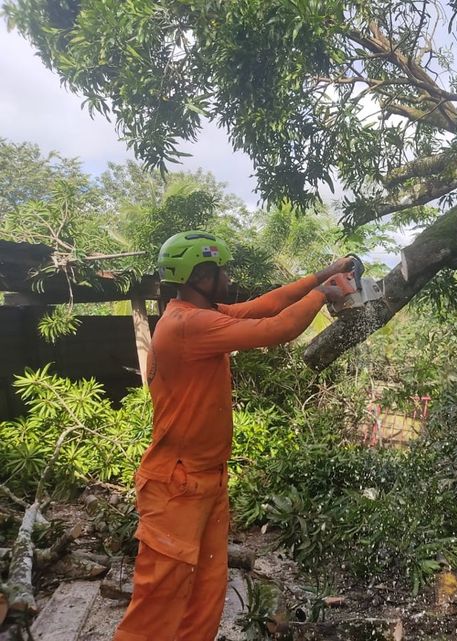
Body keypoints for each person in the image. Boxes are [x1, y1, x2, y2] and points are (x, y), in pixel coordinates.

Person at [113, 230, 351, 641]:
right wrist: (326, 295)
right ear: (201, 276)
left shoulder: (202, 313)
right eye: (221, 270)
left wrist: (320, 277)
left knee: (206, 594)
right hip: (176, 485)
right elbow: (275, 329)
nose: (228, 276)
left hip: (206, 480)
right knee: (159, 601)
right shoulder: (188, 324)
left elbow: (263, 307)